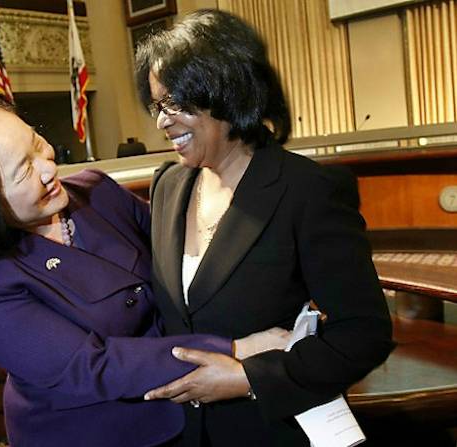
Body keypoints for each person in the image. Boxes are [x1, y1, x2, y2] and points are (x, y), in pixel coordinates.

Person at [0, 93, 290, 447]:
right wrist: (234, 349)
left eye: (36, 143)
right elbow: (90, 366)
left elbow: (179, 255)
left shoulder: (94, 191)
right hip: (101, 431)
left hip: (186, 406)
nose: (47, 166)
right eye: (24, 169)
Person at [135, 9, 394, 446]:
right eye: (157, 106)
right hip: (179, 434)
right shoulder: (167, 185)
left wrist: (246, 376)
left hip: (266, 430)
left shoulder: (308, 189)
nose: (162, 122)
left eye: (176, 103)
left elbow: (363, 333)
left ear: (228, 91)